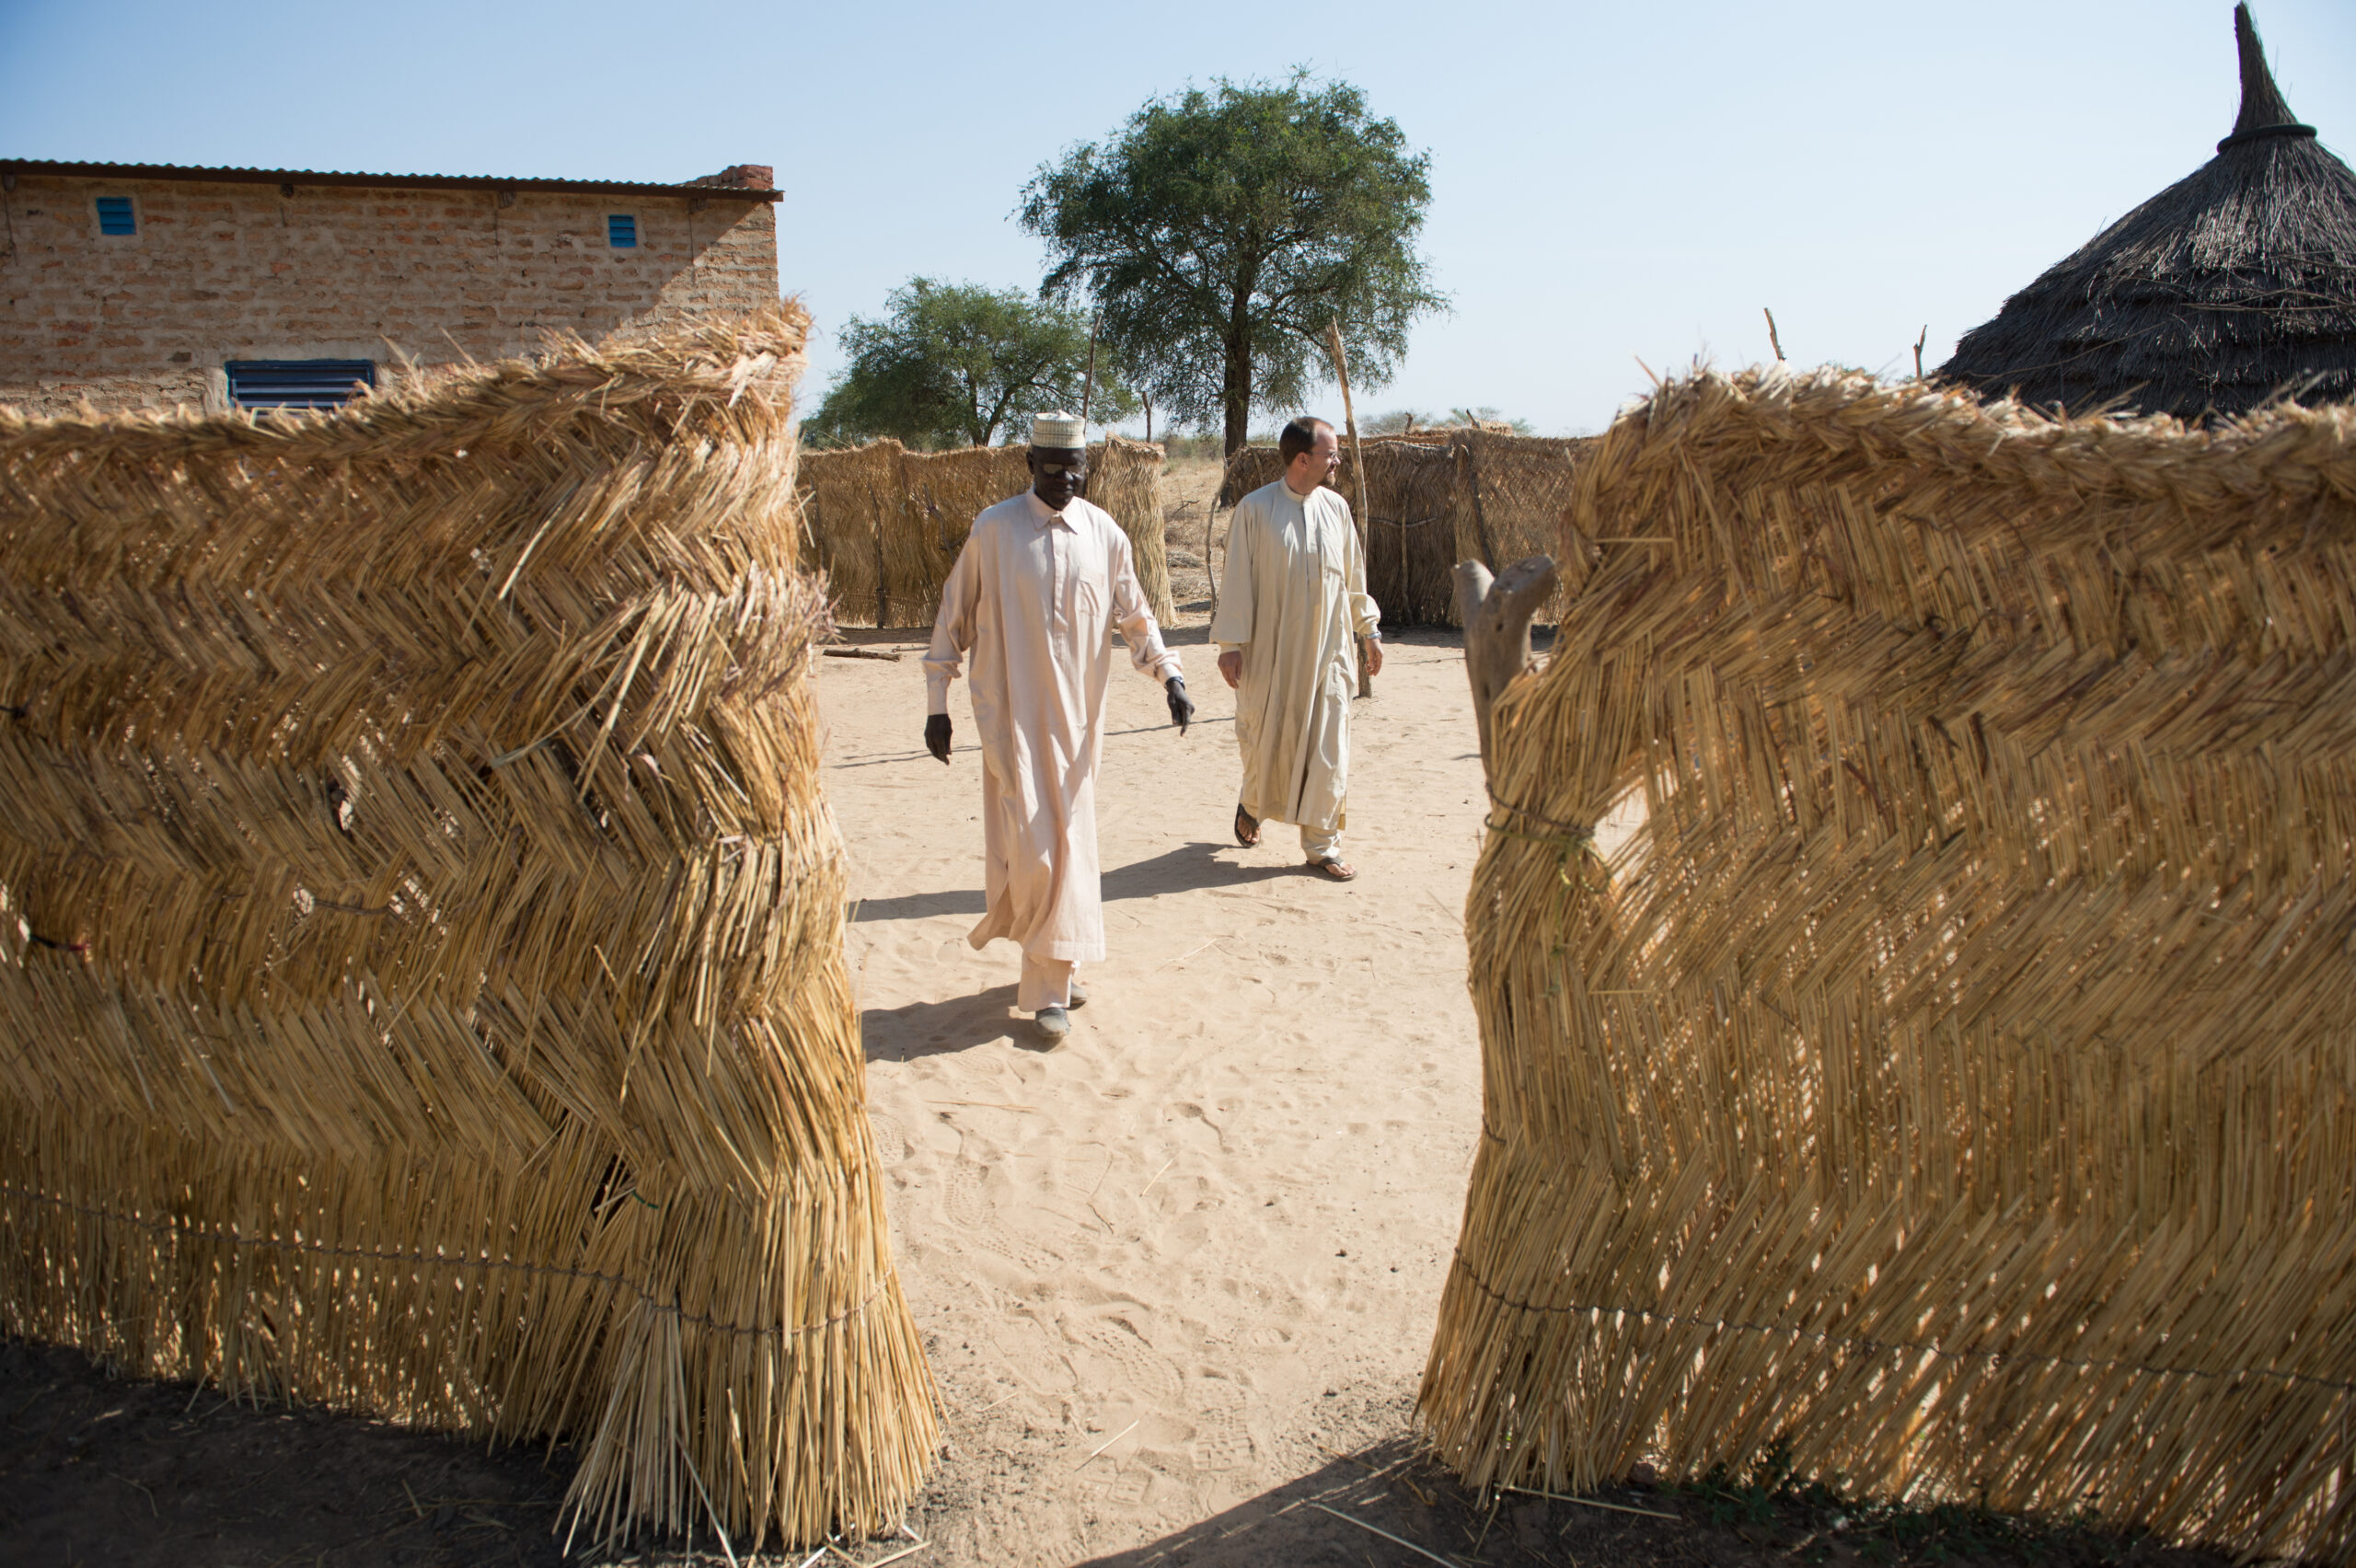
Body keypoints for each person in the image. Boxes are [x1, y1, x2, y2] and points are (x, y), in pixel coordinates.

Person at [922, 410, 1195, 1042]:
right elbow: (952, 616)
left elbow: (1136, 615)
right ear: (1029, 467)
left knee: (1065, 846)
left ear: (1087, 468)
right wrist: (938, 702)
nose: (1064, 479)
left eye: (1075, 468)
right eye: (1051, 469)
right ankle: (1048, 988)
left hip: (1078, 729)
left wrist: (1170, 677)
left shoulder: (1105, 533)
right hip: (1010, 719)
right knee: (1039, 848)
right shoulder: (993, 531)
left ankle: (1056, 967)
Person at [1210, 416, 1382, 881]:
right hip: (1270, 653)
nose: (1337, 460)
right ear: (1303, 458)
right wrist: (1231, 645)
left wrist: (1368, 630)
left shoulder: (1336, 509)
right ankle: (1252, 804)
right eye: (1331, 452)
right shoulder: (1255, 509)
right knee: (1264, 741)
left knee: (1329, 749)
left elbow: (1353, 575)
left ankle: (1322, 846)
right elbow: (1238, 583)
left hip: (1328, 653)